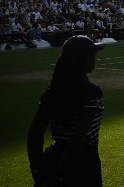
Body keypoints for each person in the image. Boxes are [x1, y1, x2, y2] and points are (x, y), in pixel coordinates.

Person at [27, 35, 105, 187]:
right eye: (93, 55)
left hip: (52, 158)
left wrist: (37, 171)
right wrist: (59, 175)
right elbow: (78, 140)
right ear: (86, 59)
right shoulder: (92, 93)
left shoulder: (52, 92)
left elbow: (33, 135)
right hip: (83, 164)